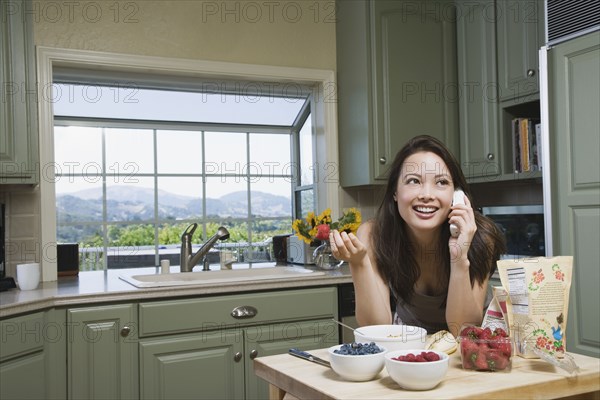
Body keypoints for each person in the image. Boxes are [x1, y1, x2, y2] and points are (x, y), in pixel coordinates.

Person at [330, 135, 506, 336]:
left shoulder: (481, 237)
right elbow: (376, 329)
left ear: (456, 195)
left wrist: (459, 256)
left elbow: (463, 330)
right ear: (395, 191)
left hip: (468, 353)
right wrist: (359, 264)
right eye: (414, 181)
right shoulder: (374, 235)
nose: (427, 194)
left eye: (441, 182)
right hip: (408, 346)